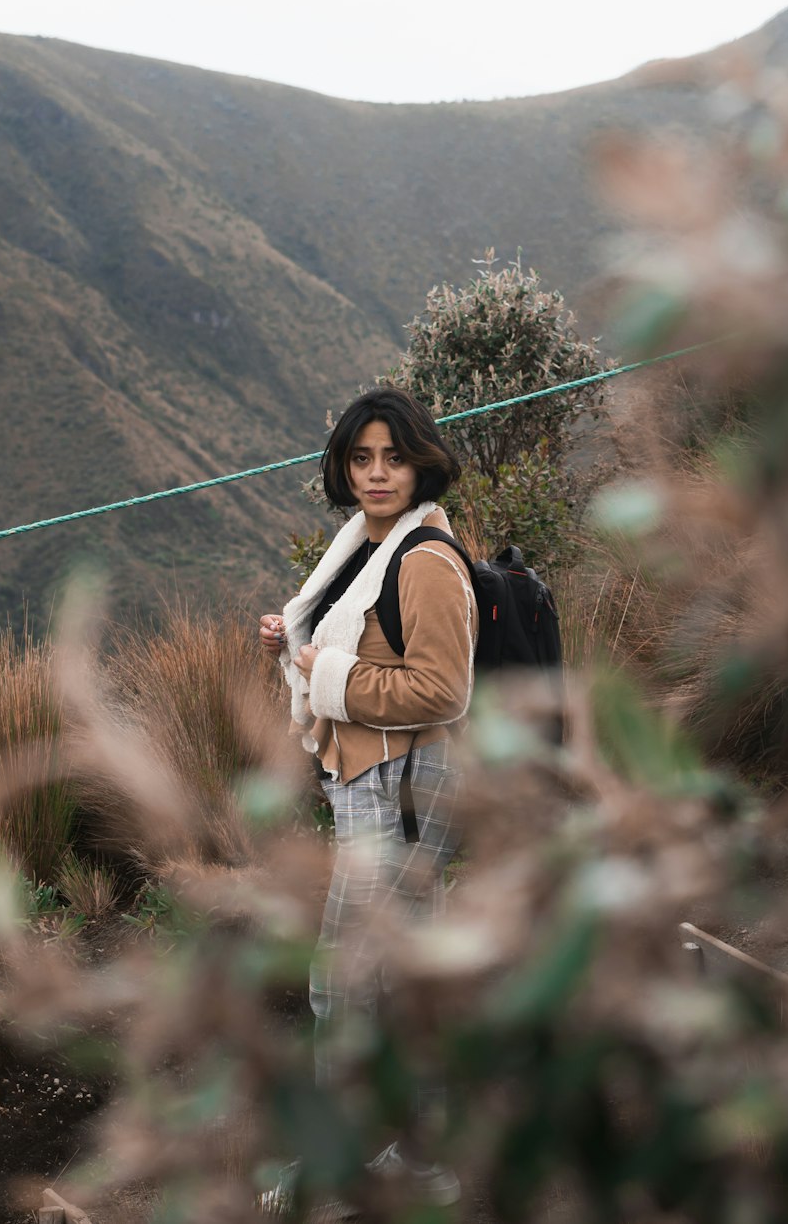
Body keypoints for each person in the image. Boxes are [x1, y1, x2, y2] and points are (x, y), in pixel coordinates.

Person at [258, 386, 477, 1212]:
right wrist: (297, 646)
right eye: (361, 458)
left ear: (422, 460)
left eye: (393, 457)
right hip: (372, 779)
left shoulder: (424, 558)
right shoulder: (365, 544)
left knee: (342, 983)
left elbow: (444, 689)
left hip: (403, 788)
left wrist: (327, 675)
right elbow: (352, 638)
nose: (377, 474)